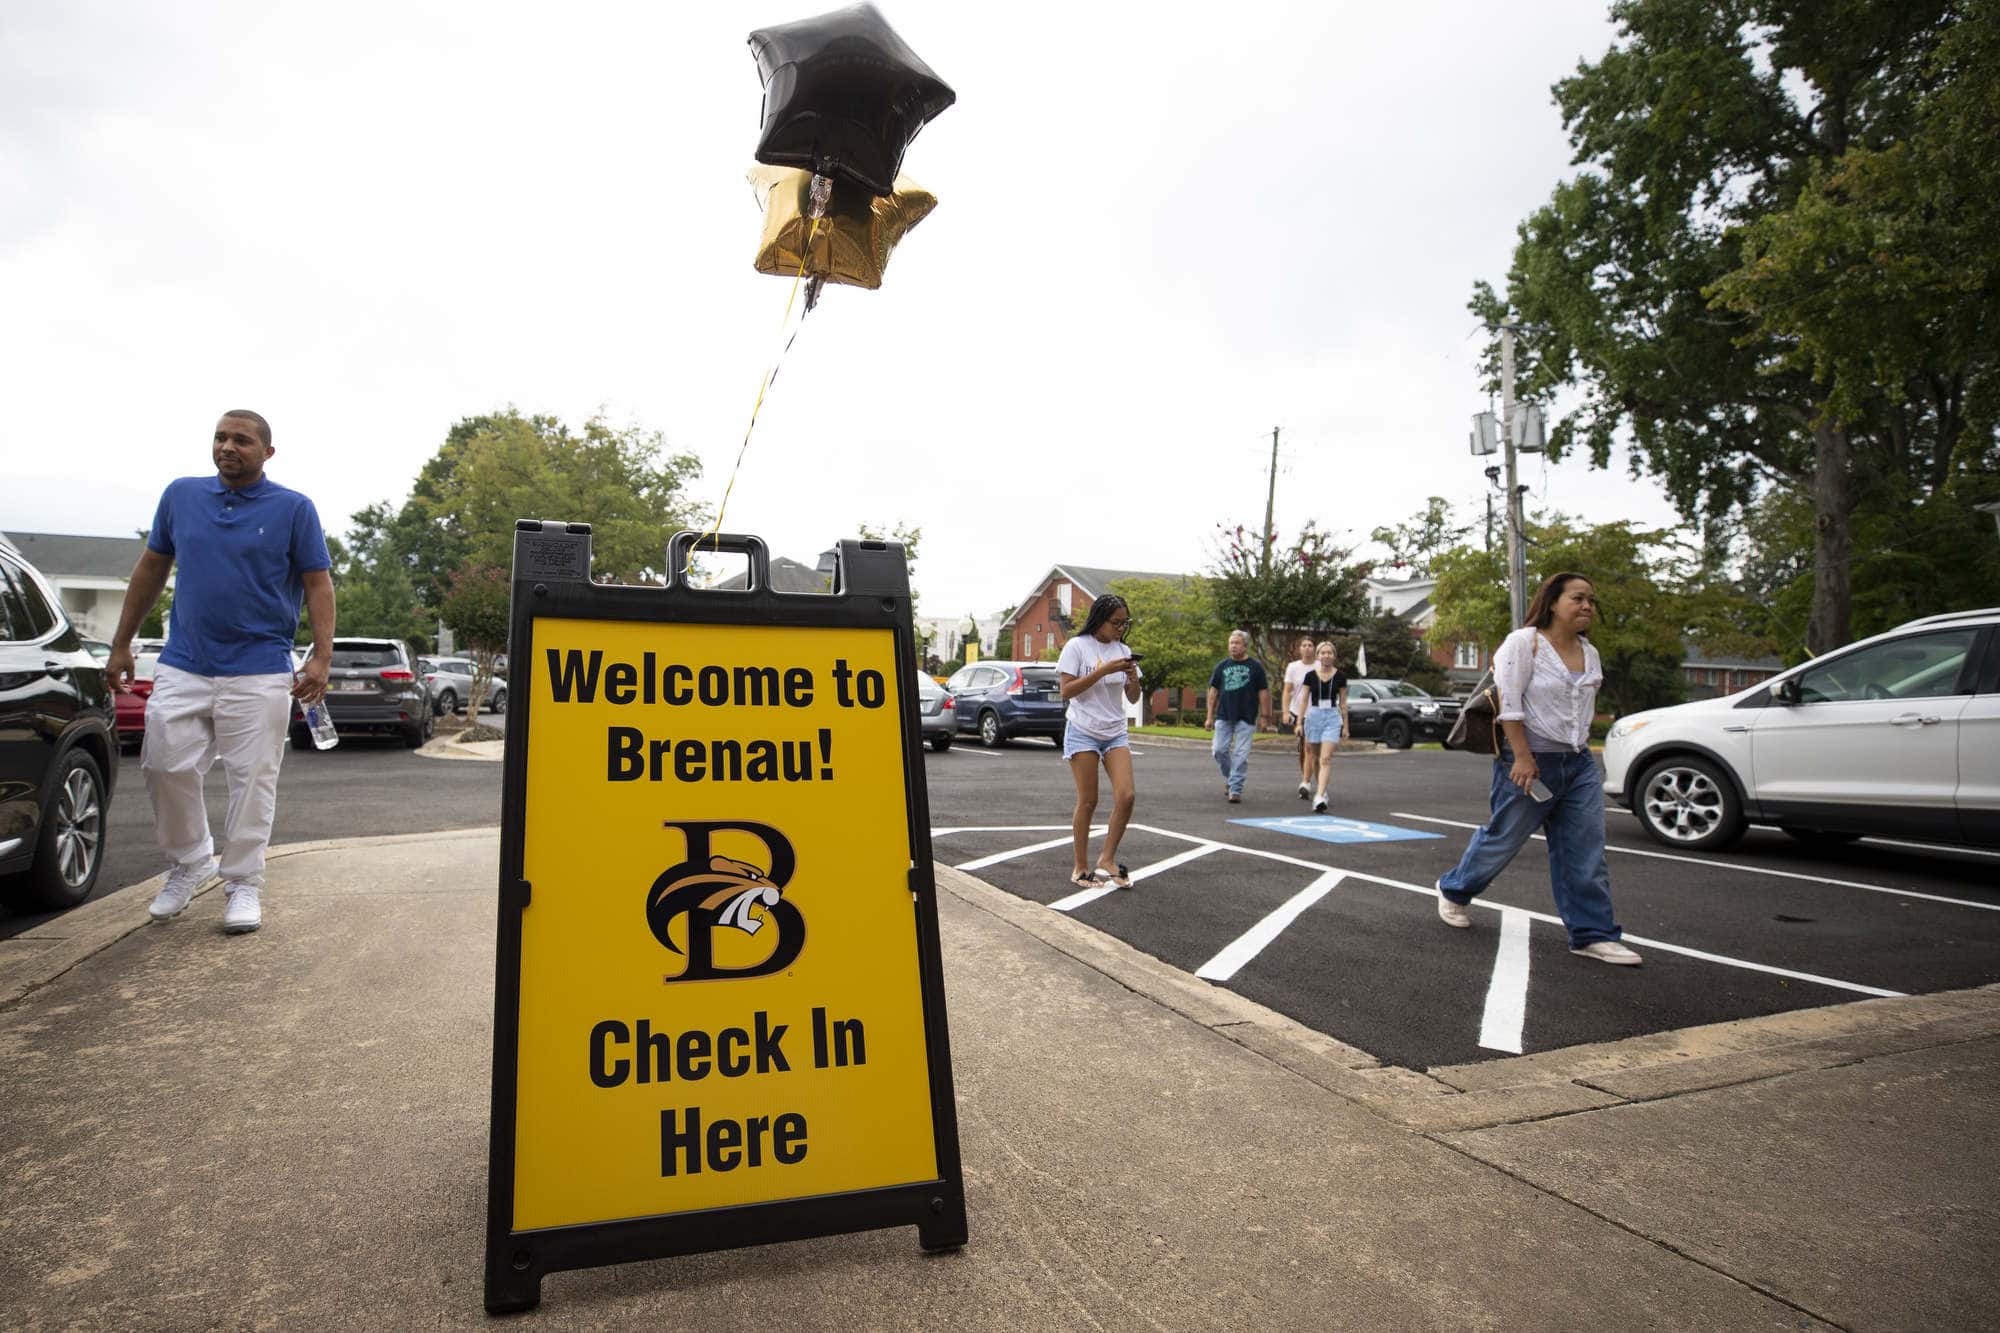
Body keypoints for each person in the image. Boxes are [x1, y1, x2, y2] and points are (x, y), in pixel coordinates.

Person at [105, 411, 335, 936]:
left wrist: (320, 657)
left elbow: (318, 584)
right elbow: (151, 569)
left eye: (242, 440)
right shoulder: (181, 496)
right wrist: (121, 644)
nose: (228, 446)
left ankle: (243, 881)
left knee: (252, 778)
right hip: (185, 661)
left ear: (267, 453)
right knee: (163, 763)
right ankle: (190, 861)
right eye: (220, 437)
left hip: (259, 668)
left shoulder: (293, 508)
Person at [1434, 572, 1642, 965]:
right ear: (1552, 603)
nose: (1587, 607)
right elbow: (1509, 704)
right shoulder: (1524, 644)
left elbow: (1581, 708)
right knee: (1504, 839)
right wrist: (1524, 757)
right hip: (1529, 760)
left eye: (1590, 601)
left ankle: (1592, 934)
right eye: (1578, 599)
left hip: (1578, 763)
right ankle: (1454, 889)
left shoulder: (1590, 652)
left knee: (1586, 851)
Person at [1056, 594, 1143, 889]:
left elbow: (1133, 697)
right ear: (1100, 620)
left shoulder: (1123, 650)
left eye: (1124, 623)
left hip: (1115, 730)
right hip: (1083, 729)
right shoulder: (1077, 647)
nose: (1120, 628)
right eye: (1115, 623)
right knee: (1089, 800)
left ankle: (1107, 858)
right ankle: (1080, 867)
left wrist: (1132, 676)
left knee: (1126, 796)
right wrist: (1104, 670)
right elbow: (1066, 692)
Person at [1204, 630, 1269, 804]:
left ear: (1245, 646)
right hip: (1224, 714)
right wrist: (1209, 716)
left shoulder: (1255, 667)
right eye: (1231, 643)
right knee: (1218, 750)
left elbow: (1263, 692)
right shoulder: (1222, 666)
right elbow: (1213, 692)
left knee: (1241, 754)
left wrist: (1265, 716)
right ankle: (1231, 778)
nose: (1233, 646)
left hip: (1247, 716)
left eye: (1237, 643)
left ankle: (1235, 789)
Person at [1299, 641, 1349, 813]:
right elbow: (1304, 700)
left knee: (1325, 758)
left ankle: (1319, 796)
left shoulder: (1340, 676)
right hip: (1313, 716)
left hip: (1332, 718)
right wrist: (1299, 722)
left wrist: (1346, 726)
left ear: (1334, 656)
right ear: (1318, 655)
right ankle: (1322, 788)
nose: (1326, 655)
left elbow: (1343, 703)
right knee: (1314, 757)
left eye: (1329, 652)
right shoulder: (1310, 676)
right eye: (1323, 652)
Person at [1280, 634, 1316, 799]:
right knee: (1304, 749)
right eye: (1304, 645)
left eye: (1310, 645)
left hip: (1316, 712)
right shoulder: (1293, 667)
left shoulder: (1320, 665)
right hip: (1298, 711)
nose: (1307, 648)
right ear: (1299, 649)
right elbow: (1287, 691)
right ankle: (1305, 778)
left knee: (1311, 748)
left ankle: (1307, 782)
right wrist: (1286, 712)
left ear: (1314, 648)